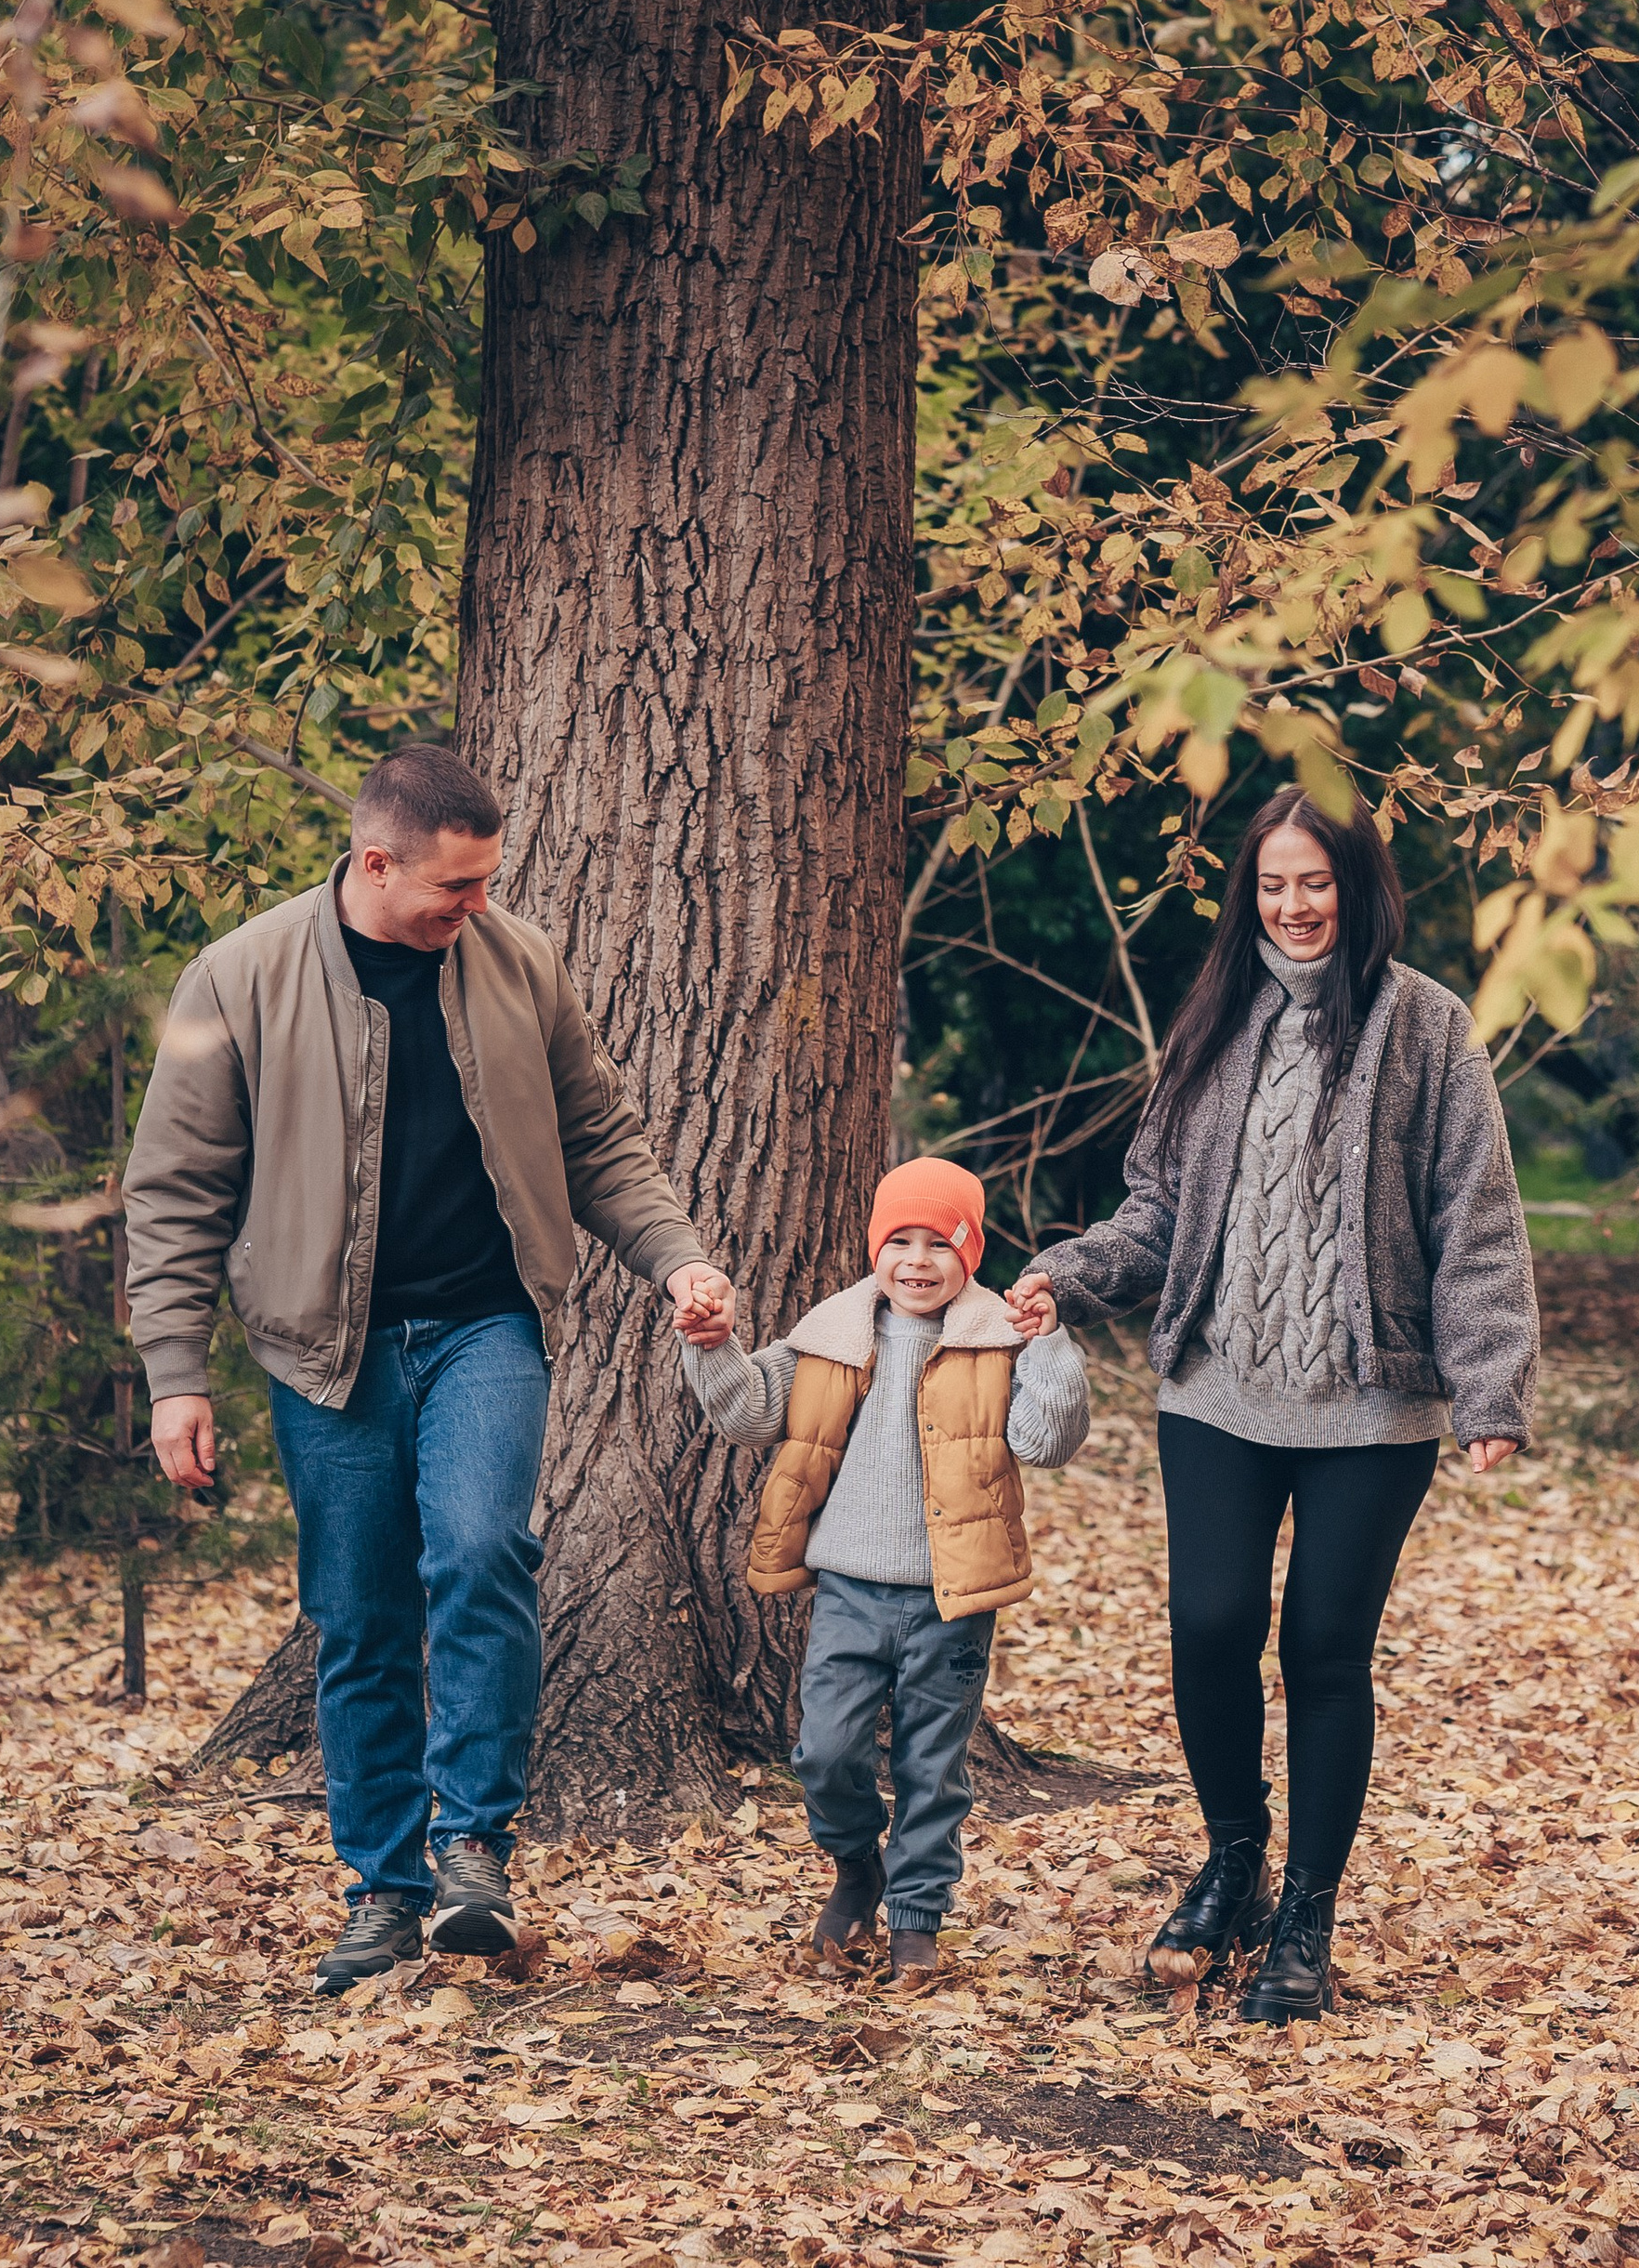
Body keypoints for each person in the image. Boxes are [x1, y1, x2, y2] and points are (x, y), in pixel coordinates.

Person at [125, 742, 738, 1996]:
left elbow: (598, 1135)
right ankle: (383, 1891)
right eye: (456, 886)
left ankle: (473, 1852)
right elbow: (175, 1191)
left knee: (480, 1551)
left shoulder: (518, 962)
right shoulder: (237, 977)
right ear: (376, 863)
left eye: (487, 881)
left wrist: (675, 1257)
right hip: (324, 1350)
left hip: (483, 1324)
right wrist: (174, 1370)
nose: (477, 905)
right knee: (358, 1616)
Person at [1008, 785, 1537, 2023]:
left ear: (1358, 887)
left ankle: (1308, 1909)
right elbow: (1156, 1208)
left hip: (1371, 1405)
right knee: (1209, 1626)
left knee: (1323, 1651)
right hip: (1216, 1388)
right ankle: (1233, 1858)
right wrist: (1065, 1276)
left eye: (1316, 882)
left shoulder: (1427, 1028)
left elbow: (1475, 1219)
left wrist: (1489, 1388)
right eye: (1273, 884)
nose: (1294, 906)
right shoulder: (1214, 1021)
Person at [680, 1154, 1088, 1984]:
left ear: (970, 1253)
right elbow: (750, 1414)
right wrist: (715, 1347)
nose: (917, 1261)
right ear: (876, 1249)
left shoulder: (999, 1338)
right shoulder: (832, 1334)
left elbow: (1047, 1442)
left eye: (939, 1243)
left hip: (953, 1596)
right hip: (849, 1590)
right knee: (825, 1753)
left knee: (931, 1768)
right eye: (900, 1241)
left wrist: (1050, 1343)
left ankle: (916, 1919)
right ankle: (856, 1866)